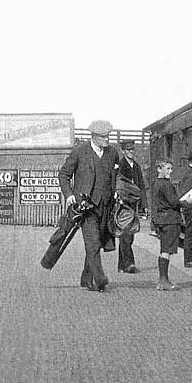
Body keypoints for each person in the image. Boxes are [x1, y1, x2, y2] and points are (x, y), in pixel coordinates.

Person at [58, 119, 118, 292]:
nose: (107, 139)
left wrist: (115, 192)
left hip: (105, 205)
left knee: (97, 243)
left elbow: (115, 175)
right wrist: (69, 195)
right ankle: (99, 278)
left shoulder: (112, 153)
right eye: (103, 137)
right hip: (86, 207)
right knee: (92, 243)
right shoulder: (79, 152)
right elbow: (64, 175)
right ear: (94, 136)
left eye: (108, 136)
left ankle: (86, 278)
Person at [151, 158, 185, 291]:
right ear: (159, 169)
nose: (170, 171)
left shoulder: (156, 183)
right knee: (166, 250)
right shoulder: (165, 184)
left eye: (171, 169)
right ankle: (163, 281)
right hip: (170, 220)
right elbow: (174, 202)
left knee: (164, 249)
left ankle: (162, 280)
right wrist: (187, 201)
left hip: (162, 220)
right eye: (168, 169)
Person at [116, 140, 146, 273]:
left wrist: (144, 204)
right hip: (124, 203)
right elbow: (117, 184)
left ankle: (121, 265)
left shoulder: (137, 166)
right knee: (126, 233)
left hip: (134, 203)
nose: (131, 152)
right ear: (123, 151)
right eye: (128, 150)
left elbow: (142, 186)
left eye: (132, 150)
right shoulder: (120, 165)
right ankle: (129, 263)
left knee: (129, 233)